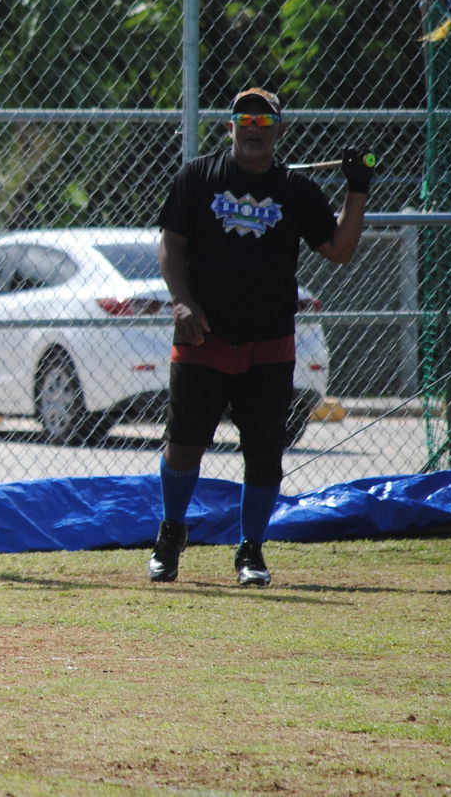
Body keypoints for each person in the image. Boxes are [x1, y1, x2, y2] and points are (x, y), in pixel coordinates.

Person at [149, 87, 371, 586]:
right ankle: (171, 534)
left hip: (269, 341)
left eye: (264, 121)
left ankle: (251, 550)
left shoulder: (295, 190)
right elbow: (170, 246)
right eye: (244, 118)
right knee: (184, 446)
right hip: (203, 337)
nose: (253, 127)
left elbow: (338, 249)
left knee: (264, 451)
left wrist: (358, 189)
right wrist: (182, 301)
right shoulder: (198, 178)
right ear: (229, 127)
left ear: (278, 130)